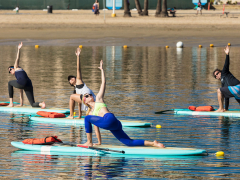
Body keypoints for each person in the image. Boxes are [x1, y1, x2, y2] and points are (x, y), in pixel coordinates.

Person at [82, 60, 165, 148]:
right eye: (87, 96)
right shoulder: (91, 113)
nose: (90, 95)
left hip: (110, 119)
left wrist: (102, 70)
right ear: (85, 102)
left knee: (86, 118)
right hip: (115, 124)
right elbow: (96, 129)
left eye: (90, 94)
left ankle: (88, 142)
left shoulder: (99, 99)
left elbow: (103, 83)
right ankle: (153, 143)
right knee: (129, 142)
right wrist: (99, 142)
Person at [7, 42, 45, 108]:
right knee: (32, 104)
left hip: (24, 83)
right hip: (29, 83)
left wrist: (19, 49)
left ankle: (11, 103)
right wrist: (21, 104)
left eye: (10, 70)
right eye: (9, 72)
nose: (10, 72)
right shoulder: (19, 77)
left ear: (13, 68)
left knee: (9, 83)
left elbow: (17, 58)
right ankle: (41, 104)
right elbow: (21, 90)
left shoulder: (16, 67)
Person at [67, 47, 95, 119]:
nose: (71, 79)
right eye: (69, 80)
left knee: (71, 97)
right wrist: (79, 116)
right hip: (91, 99)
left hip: (88, 98)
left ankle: (71, 115)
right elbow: (79, 103)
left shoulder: (79, 81)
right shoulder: (77, 91)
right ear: (71, 84)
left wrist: (78, 56)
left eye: (72, 77)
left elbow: (78, 69)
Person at [213, 45, 240, 112]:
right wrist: (226, 109)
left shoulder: (224, 72)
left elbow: (226, 64)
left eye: (217, 73)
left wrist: (227, 54)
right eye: (215, 76)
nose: (217, 76)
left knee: (219, 90)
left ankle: (221, 108)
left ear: (220, 72)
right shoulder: (224, 85)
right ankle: (224, 108)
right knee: (235, 97)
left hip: (237, 87)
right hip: (237, 91)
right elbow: (226, 98)